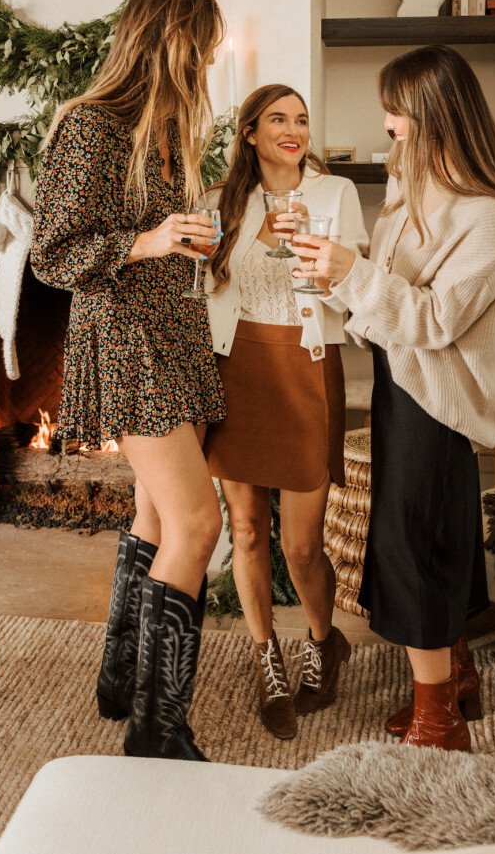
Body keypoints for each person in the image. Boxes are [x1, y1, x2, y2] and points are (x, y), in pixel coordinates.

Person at [290, 45, 495, 752]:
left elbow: (431, 321)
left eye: (397, 110)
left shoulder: (486, 219)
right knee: (435, 535)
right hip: (403, 388)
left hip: (440, 397)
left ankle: (439, 721)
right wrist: (334, 272)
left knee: (412, 544)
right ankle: (453, 675)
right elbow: (383, 309)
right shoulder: (405, 198)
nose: (388, 123)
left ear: (432, 115)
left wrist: (350, 274)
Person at [31, 0, 227, 762]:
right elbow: (51, 254)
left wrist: (184, 241)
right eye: (201, 48)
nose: (207, 63)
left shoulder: (170, 129)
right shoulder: (91, 125)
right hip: (126, 340)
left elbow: (151, 230)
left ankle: (121, 679)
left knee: (155, 515)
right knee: (198, 521)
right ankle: (158, 730)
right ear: (169, 42)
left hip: (172, 331)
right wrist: (144, 243)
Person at [204, 84, 368, 738]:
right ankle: (263, 653)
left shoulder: (335, 194)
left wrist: (315, 262)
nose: (293, 128)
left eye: (301, 118)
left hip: (305, 364)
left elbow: (353, 284)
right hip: (237, 365)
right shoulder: (226, 198)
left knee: (301, 545)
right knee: (244, 530)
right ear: (249, 132)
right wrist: (253, 237)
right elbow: (210, 278)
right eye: (278, 118)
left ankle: (324, 642)